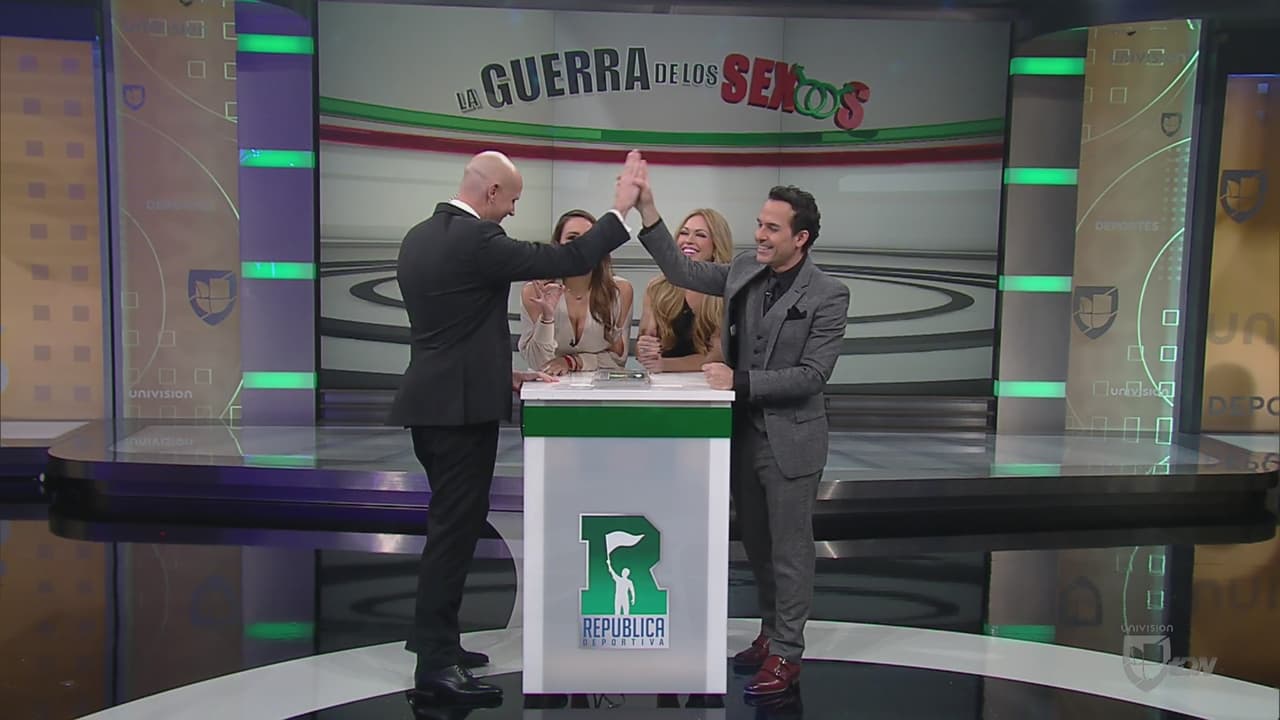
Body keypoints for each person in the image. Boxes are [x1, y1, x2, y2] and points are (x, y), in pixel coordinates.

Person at [389, 149, 645, 706]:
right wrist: (622, 209)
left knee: (451, 525)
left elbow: (449, 332)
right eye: (511, 201)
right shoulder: (479, 240)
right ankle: (435, 663)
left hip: (431, 404)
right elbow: (571, 255)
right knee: (453, 531)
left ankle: (436, 641)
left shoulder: (417, 238)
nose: (511, 211)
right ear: (490, 193)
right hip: (459, 414)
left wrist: (501, 374)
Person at [632, 172, 849, 698]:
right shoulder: (745, 271)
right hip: (742, 438)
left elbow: (813, 375)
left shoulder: (828, 294)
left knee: (790, 549)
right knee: (757, 544)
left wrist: (740, 381)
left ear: (801, 237)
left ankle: (787, 653)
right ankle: (770, 632)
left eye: (772, 228)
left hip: (790, 440)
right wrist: (649, 210)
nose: (760, 235)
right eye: (759, 224)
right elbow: (681, 268)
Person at [518, 210, 634, 375]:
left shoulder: (619, 291)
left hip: (598, 385)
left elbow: (617, 359)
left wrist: (573, 362)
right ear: (557, 246)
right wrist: (547, 318)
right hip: (548, 384)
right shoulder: (535, 291)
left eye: (589, 238)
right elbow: (538, 362)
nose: (582, 246)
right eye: (572, 238)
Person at [635, 208, 733, 373]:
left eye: (700, 235)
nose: (689, 240)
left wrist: (666, 365)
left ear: (716, 245)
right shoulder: (657, 288)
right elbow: (643, 346)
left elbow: (717, 356)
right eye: (684, 233)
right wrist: (645, 349)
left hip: (709, 381)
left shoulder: (728, 289)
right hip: (664, 382)